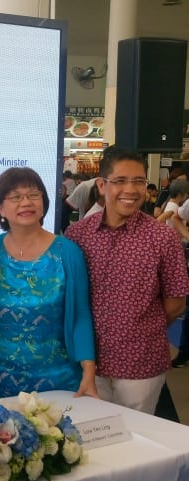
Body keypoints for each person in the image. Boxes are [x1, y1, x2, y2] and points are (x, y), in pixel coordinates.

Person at [66, 147, 189, 414]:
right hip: (88, 361)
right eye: (120, 181)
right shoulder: (77, 235)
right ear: (102, 185)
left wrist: (139, 327)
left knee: (136, 438)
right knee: (90, 435)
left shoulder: (162, 238)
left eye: (139, 181)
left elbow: (176, 302)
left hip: (141, 363)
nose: (130, 190)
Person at [0, 167, 97, 399]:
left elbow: (80, 315)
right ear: (0, 208)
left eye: (33, 195)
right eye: (15, 197)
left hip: (59, 378)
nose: (26, 202)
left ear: (44, 203)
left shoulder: (67, 252)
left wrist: (89, 371)